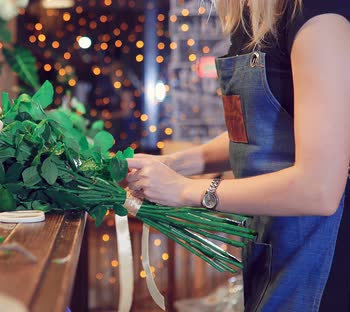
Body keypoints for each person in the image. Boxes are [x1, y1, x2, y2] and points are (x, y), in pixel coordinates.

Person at [124, 1, 350, 311]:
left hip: (321, 255)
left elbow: (319, 189)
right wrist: (176, 164)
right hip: (270, 240)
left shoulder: (317, 14)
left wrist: (184, 190)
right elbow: (261, 132)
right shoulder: (253, 18)